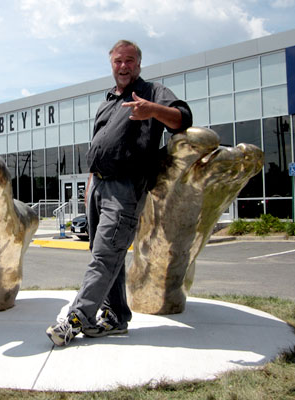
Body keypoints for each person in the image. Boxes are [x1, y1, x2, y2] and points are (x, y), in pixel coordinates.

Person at [46, 40, 193, 346]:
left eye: (130, 61)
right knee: (104, 256)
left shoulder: (152, 92)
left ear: (138, 64)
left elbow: (183, 119)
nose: (123, 66)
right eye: (117, 61)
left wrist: (151, 110)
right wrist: (89, 189)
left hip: (126, 187)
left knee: (105, 255)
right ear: (110, 64)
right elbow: (98, 148)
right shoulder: (107, 103)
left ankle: (76, 319)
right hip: (97, 186)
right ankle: (116, 317)